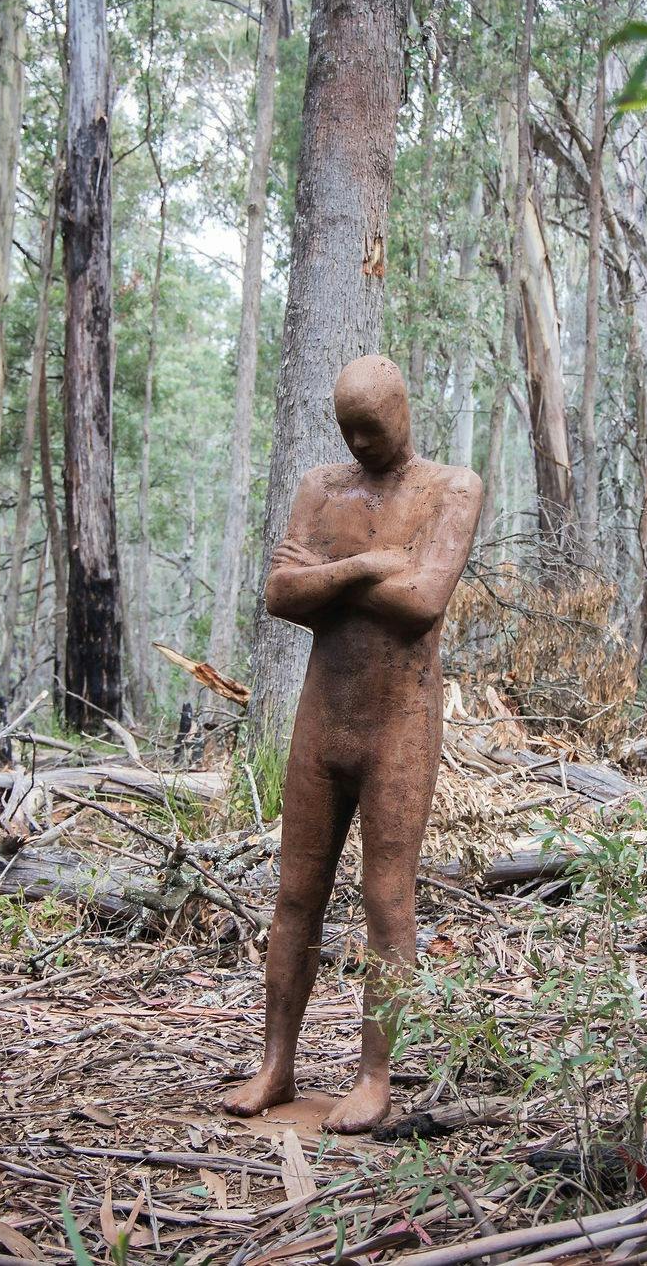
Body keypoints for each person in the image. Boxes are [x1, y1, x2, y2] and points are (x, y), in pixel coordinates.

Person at [221, 356, 483, 1134]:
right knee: (295, 893)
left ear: (402, 410)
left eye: (372, 427)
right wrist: (369, 564)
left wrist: (326, 577)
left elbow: (423, 600)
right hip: (322, 718)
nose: (361, 443)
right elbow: (280, 593)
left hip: (399, 723)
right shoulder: (320, 488)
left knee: (387, 899)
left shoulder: (452, 488)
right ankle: (276, 1062)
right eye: (349, 431)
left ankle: (374, 1074)